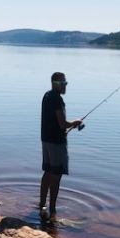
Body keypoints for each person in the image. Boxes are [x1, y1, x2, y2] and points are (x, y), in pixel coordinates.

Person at [40, 72, 83, 223]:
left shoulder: (46, 96)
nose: (64, 86)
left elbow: (56, 123)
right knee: (56, 175)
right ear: (54, 83)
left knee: (48, 172)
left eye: (65, 83)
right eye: (61, 83)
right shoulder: (57, 99)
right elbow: (62, 124)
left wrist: (68, 127)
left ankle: (41, 205)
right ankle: (52, 209)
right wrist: (75, 122)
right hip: (56, 143)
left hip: (46, 140)